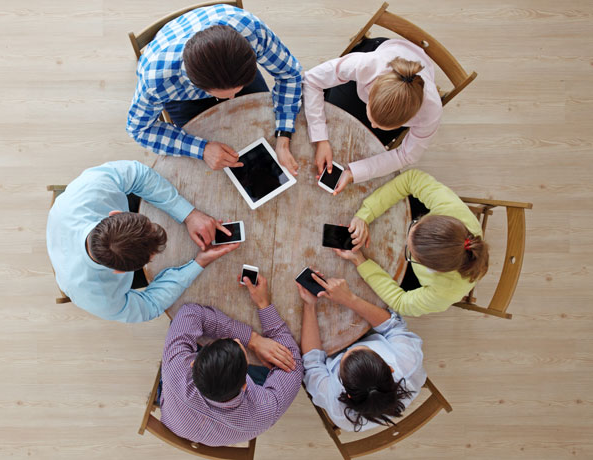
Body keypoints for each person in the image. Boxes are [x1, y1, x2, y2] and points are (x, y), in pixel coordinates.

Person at [46, 160, 238, 323]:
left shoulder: (93, 187)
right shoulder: (97, 297)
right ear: (121, 272)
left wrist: (188, 213)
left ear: (117, 213)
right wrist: (199, 263)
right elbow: (149, 306)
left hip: (67, 217)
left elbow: (139, 174)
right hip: (79, 271)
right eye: (152, 257)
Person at [127, 4, 303, 173]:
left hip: (231, 66)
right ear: (196, 84)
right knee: (211, 163)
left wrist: (283, 134)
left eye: (237, 90)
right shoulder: (156, 80)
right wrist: (202, 149)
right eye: (225, 95)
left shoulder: (251, 29)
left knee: (265, 128)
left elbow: (291, 74)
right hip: (181, 94)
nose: (233, 98)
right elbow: (139, 129)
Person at [159, 274, 303, 446]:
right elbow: (294, 362)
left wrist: (251, 339)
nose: (236, 340)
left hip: (178, 420)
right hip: (209, 425)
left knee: (178, 328)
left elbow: (190, 312)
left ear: (193, 364)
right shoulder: (264, 411)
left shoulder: (175, 369)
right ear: (245, 385)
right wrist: (262, 311)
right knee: (271, 365)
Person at [334, 169, 489, 317]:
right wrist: (364, 215)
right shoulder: (452, 211)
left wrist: (360, 261)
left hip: (417, 278)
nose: (403, 240)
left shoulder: (444, 292)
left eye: (410, 251)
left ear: (430, 267)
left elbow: (401, 303)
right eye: (415, 224)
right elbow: (412, 178)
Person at [302, 37, 442, 193]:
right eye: (373, 119)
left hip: (412, 78)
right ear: (370, 93)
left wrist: (353, 173)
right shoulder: (367, 65)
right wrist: (320, 138)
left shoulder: (431, 112)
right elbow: (311, 79)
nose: (373, 125)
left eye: (381, 126)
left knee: (364, 149)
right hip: (383, 52)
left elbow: (406, 156)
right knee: (331, 110)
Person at [297, 270, 426, 432]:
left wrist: (309, 304)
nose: (350, 349)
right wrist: (349, 299)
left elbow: (312, 364)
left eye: (346, 358)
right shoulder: (408, 364)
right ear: (390, 369)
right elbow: (392, 326)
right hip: (370, 330)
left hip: (328, 351)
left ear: (347, 393)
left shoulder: (337, 408)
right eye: (364, 351)